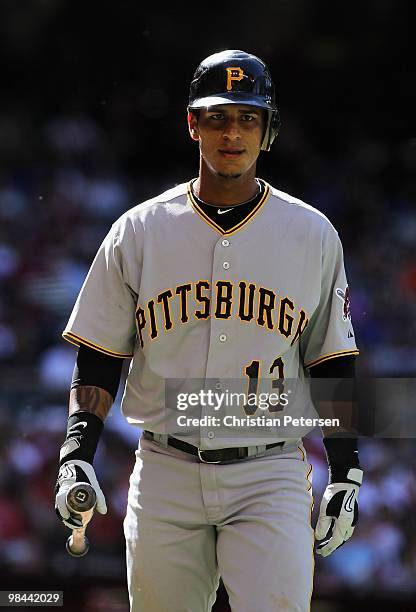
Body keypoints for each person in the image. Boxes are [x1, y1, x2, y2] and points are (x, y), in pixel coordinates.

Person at [54, 49, 363, 612]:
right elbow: (99, 356)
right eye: (218, 116)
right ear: (192, 124)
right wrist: (78, 451)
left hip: (269, 472)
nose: (233, 132)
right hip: (166, 471)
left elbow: (331, 361)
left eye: (249, 118)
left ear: (268, 131)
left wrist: (346, 470)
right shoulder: (139, 231)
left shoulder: (312, 233)